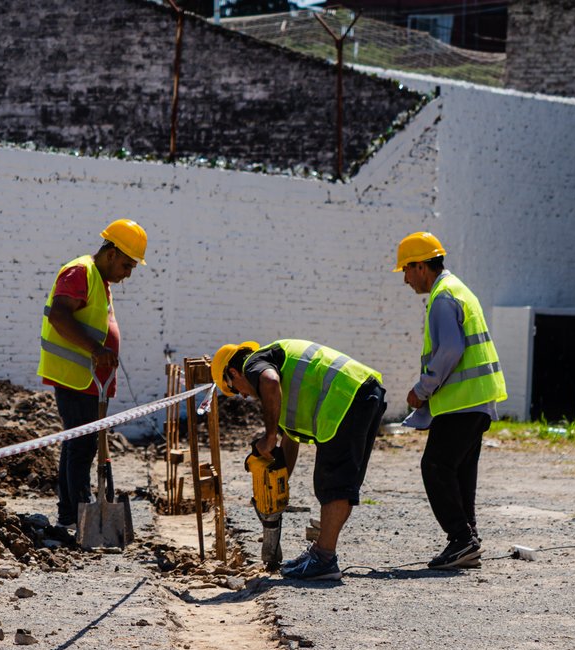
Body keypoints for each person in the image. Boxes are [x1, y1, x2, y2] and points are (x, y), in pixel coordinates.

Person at [211, 339, 386, 582]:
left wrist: (269, 437)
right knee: (343, 481)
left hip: (345, 397)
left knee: (332, 482)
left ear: (233, 372)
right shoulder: (279, 380)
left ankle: (324, 559)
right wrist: (277, 487)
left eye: (233, 388)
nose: (243, 395)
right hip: (365, 392)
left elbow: (269, 382)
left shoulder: (253, 364)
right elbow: (290, 442)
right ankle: (321, 555)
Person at [395, 231, 507, 570]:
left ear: (421, 266)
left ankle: (461, 539)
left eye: (406, 269)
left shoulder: (443, 297)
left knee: (435, 466)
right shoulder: (459, 289)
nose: (405, 279)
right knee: (459, 471)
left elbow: (451, 350)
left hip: (461, 403)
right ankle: (467, 540)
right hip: (477, 401)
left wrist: (422, 390)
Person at [37, 219, 147, 530]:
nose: (128, 274)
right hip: (75, 376)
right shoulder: (80, 272)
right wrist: (96, 350)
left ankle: (70, 515)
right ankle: (79, 516)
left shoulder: (99, 279)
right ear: (111, 253)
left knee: (78, 443)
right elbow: (60, 316)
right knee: (82, 446)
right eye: (126, 265)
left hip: (90, 379)